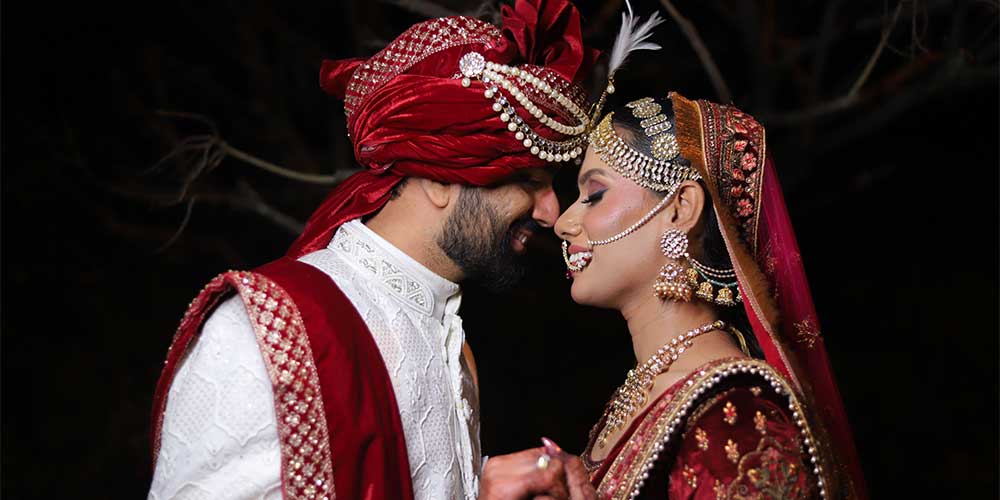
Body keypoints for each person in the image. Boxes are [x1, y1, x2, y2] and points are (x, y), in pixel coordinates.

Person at [147, 1, 600, 499]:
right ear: (438, 178)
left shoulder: (452, 343)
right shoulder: (271, 331)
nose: (551, 213)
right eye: (528, 182)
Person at [554, 92, 868, 499]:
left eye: (594, 195)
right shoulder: (641, 395)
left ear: (681, 208)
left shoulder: (735, 414)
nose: (564, 223)